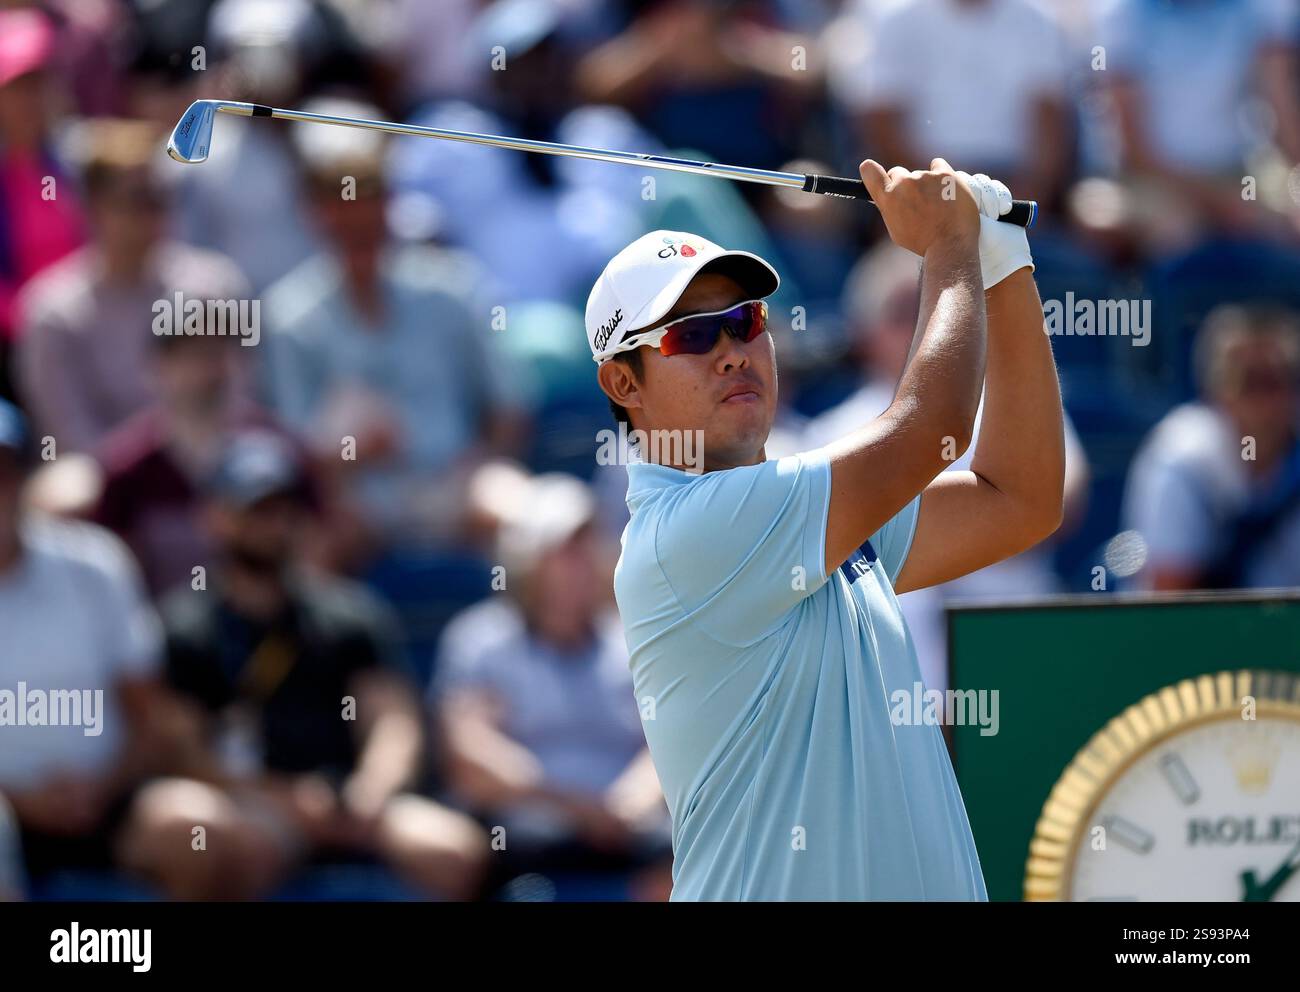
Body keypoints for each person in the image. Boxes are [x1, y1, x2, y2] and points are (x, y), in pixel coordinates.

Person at [589, 163, 1065, 900]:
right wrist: (950, 246)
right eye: (692, 335)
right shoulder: (688, 534)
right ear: (623, 385)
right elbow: (935, 429)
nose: (733, 349)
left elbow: (1021, 497)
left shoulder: (797, 514)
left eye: (745, 320)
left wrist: (1005, 263)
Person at [139, 432, 486, 900]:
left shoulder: (348, 613)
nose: (274, 523)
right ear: (216, 517)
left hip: (350, 804)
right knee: (237, 847)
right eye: (256, 509)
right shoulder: (185, 628)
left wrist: (369, 792)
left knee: (453, 851)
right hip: (249, 803)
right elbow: (185, 754)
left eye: (284, 508)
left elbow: (392, 723)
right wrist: (285, 799)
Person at [434, 471, 671, 900]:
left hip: (629, 830)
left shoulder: (633, 642)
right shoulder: (480, 641)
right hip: (528, 834)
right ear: (527, 561)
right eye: (562, 551)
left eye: (584, 548)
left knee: (687, 852)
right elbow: (470, 757)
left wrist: (630, 802)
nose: (578, 564)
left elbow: (664, 744)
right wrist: (576, 807)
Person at [0, 398, 176, 896]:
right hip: (6, 815)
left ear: (23, 477)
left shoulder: (95, 563)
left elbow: (150, 714)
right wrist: (21, 799)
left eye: (3, 471)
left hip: (111, 804)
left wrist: (102, 789)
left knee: (196, 832)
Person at [16, 117, 248, 455]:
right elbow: (73, 439)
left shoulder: (217, 286)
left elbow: (241, 407)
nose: (155, 213)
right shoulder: (52, 313)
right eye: (138, 199)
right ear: (92, 207)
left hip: (221, 479)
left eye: (161, 198)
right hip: (110, 495)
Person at [1124, 304, 1300, 590]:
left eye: (1277, 381)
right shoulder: (1179, 458)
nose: (1265, 401)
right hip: (1195, 631)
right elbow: (1170, 600)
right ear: (1215, 389)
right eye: (1249, 382)